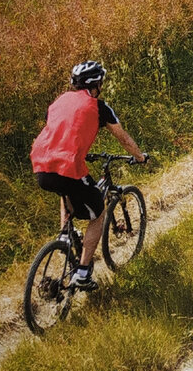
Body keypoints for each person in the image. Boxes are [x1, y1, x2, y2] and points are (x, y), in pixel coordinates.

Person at [30, 60, 147, 290]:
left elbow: (62, 130)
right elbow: (123, 138)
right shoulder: (98, 107)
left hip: (41, 166)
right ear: (97, 84)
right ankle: (82, 273)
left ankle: (65, 234)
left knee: (63, 189)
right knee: (99, 212)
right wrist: (140, 157)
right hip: (69, 168)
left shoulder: (59, 101)